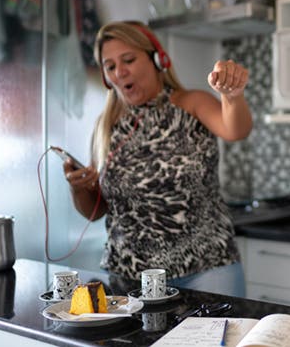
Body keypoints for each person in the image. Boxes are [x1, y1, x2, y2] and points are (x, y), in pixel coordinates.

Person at [62, 20, 253, 297]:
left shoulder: (191, 104)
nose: (120, 72)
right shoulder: (106, 126)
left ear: (157, 60)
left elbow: (237, 130)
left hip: (207, 270)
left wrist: (232, 96)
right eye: (110, 66)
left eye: (128, 59)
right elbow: (97, 211)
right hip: (128, 278)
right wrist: (79, 188)